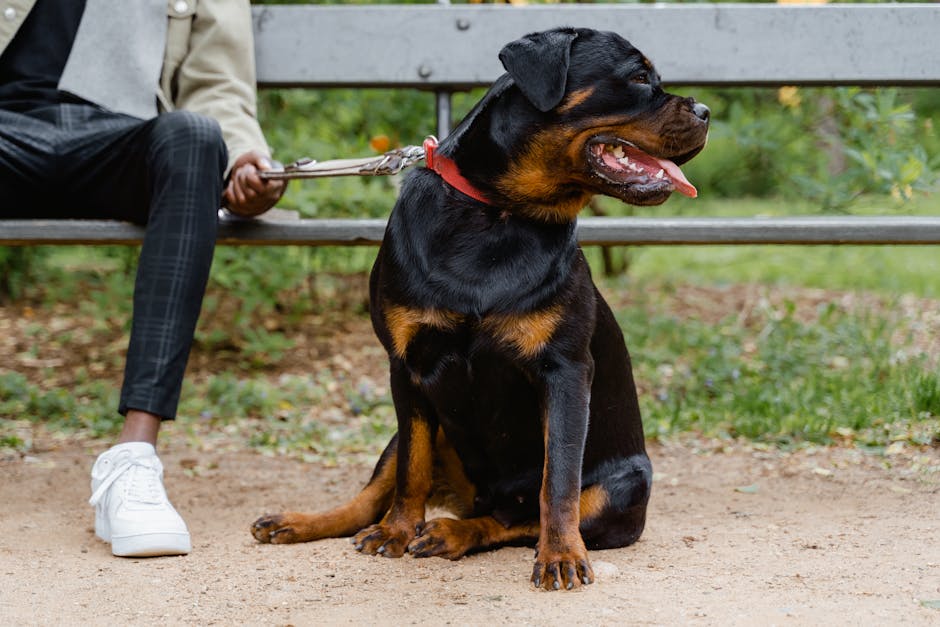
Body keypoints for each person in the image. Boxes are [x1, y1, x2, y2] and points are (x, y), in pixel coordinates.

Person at [0, 0, 286, 557]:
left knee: (196, 136)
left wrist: (246, 159)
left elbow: (217, 85)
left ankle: (132, 463)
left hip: (117, 142)